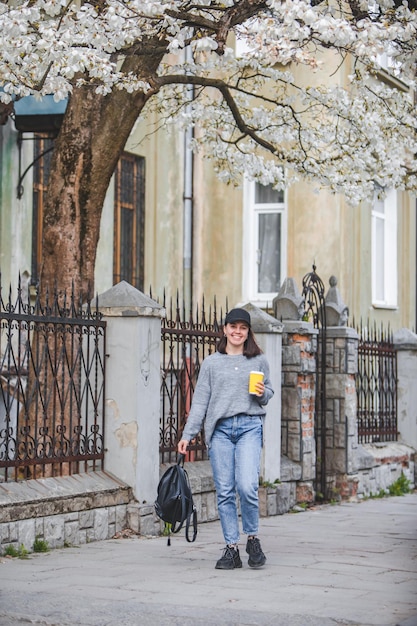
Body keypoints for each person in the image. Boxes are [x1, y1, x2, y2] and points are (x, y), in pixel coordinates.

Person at [177, 307, 274, 570]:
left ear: (248, 332)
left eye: (243, 328)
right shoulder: (211, 363)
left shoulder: (258, 361)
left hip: (249, 427)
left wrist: (262, 392)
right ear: (225, 329)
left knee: (246, 485)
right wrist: (188, 434)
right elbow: (200, 402)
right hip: (219, 431)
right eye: (233, 326)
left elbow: (269, 393)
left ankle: (252, 538)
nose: (237, 332)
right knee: (225, 491)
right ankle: (232, 548)